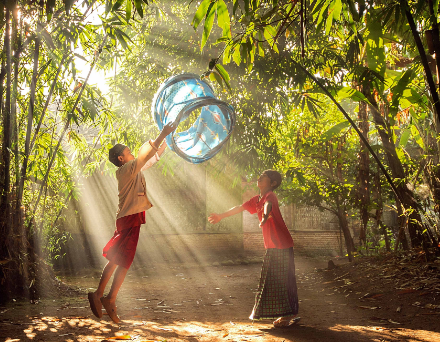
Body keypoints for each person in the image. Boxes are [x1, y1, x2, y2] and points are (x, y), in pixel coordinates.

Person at [88, 122, 175, 323]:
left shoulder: (133, 169)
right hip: (128, 219)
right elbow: (145, 156)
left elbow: (151, 158)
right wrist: (163, 133)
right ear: (121, 158)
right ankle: (107, 298)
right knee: (123, 261)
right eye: (128, 152)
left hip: (128, 218)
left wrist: (168, 141)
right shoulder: (126, 170)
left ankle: (103, 295)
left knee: (118, 259)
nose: (132, 153)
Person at [208, 170, 299, 328]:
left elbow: (268, 206)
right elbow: (240, 207)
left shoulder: (270, 196)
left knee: (283, 280)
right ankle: (287, 314)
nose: (260, 178)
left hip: (282, 244)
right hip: (272, 246)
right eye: (260, 176)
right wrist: (221, 216)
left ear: (273, 183)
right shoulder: (256, 199)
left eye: (264, 177)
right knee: (272, 280)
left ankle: (287, 316)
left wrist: (264, 217)